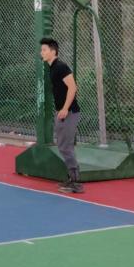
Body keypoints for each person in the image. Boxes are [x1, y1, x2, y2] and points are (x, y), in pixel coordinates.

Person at [40, 38, 84, 194]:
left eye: (44, 50)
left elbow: (73, 87)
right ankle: (72, 177)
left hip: (69, 112)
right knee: (63, 145)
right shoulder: (52, 68)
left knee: (65, 146)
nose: (41, 53)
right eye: (41, 50)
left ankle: (76, 182)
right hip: (62, 112)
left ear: (53, 51)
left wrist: (65, 108)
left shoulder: (60, 66)